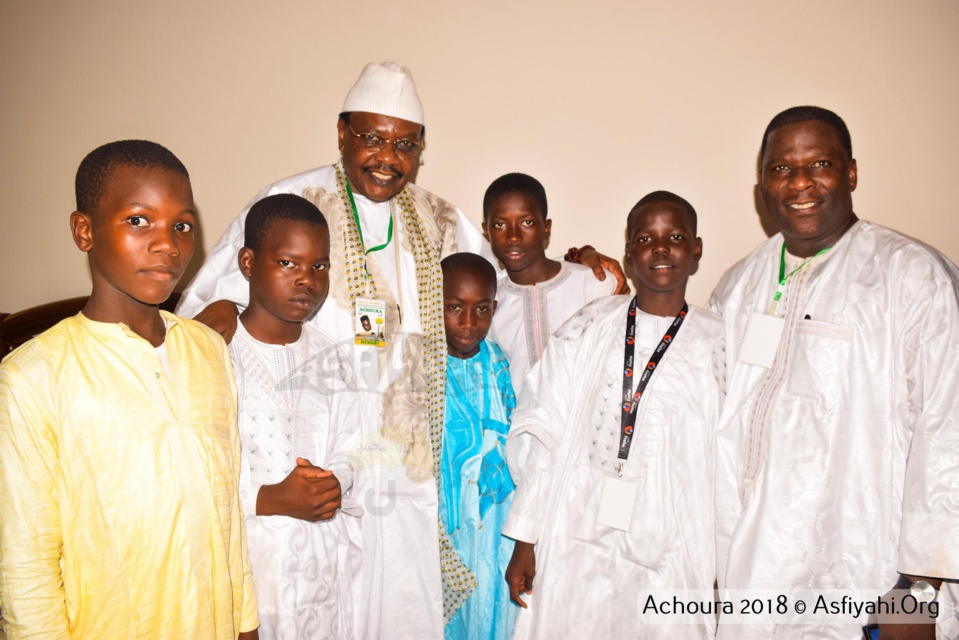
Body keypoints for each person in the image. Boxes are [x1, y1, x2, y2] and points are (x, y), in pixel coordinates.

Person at [175, 62, 625, 638]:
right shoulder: (293, 199)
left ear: (419, 151)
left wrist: (581, 264)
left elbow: (502, 284)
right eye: (372, 138)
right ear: (342, 133)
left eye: (404, 144)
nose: (388, 156)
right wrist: (213, 314)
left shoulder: (441, 220)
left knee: (406, 609)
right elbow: (219, 302)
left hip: (414, 467)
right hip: (314, 466)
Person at [709, 106, 959, 639]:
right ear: (762, 185)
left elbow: (948, 431)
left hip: (868, 574)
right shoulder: (738, 286)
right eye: (781, 168)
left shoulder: (910, 276)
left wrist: (917, 592)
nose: (800, 182)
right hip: (754, 574)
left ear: (850, 172)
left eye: (819, 163)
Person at [0, 140, 259, 638]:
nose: (168, 244)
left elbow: (226, 512)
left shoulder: (208, 351)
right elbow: (25, 567)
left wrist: (245, 623)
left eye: (181, 225)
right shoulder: (34, 376)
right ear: (84, 230)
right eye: (139, 220)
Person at [503, 192, 722, 639]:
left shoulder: (720, 343)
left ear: (696, 250)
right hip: (576, 531)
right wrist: (526, 537)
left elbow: (733, 466)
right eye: (646, 237)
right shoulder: (590, 325)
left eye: (675, 237)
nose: (661, 249)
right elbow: (544, 427)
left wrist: (727, 562)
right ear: (628, 251)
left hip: (673, 547)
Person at [229, 194, 361, 639]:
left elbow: (354, 441)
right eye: (288, 263)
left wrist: (338, 482)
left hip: (325, 569)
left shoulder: (331, 355)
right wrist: (267, 499)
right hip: (250, 570)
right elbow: (192, 470)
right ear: (249, 262)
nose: (306, 280)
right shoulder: (218, 354)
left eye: (318, 266)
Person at [439, 252, 517, 640]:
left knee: (488, 616)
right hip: (438, 531)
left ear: (494, 308)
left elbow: (516, 442)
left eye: (481, 309)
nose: (468, 323)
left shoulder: (499, 364)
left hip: (492, 530)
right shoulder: (419, 368)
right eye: (453, 307)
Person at [483, 172, 616, 394]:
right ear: (486, 232)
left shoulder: (597, 284)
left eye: (526, 222)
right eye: (499, 225)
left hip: (585, 424)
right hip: (519, 426)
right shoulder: (488, 302)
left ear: (546, 227)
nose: (513, 236)